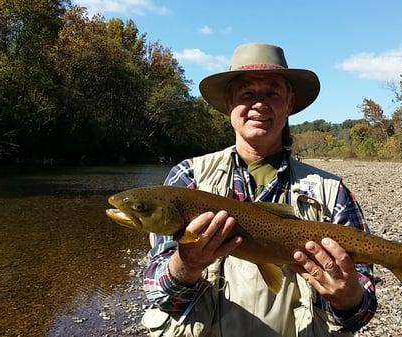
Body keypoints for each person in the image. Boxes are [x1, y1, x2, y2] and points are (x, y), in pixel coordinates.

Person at [142, 43, 377, 337]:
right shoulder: (189, 178)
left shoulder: (331, 191)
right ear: (229, 103)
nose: (259, 103)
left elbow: (361, 309)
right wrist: (184, 266)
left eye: (272, 93)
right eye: (247, 94)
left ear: (289, 103)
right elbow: (158, 296)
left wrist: (348, 299)